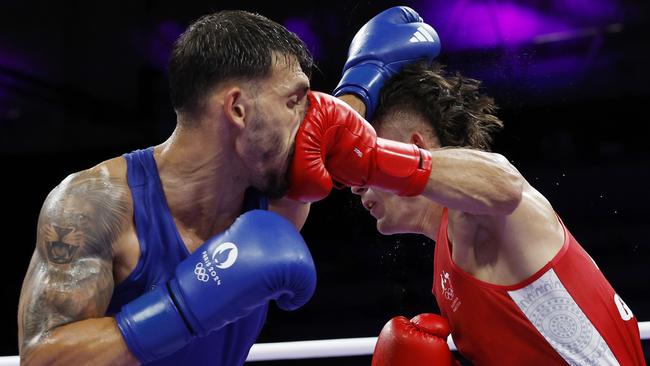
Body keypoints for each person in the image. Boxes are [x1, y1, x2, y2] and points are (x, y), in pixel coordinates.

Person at [17, 7, 442, 366]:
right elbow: (41, 355)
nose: (309, 117)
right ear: (237, 109)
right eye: (294, 100)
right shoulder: (94, 204)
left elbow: (329, 128)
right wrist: (182, 309)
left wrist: (364, 77)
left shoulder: (275, 196)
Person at [329, 56, 647, 363]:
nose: (357, 185)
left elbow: (505, 183)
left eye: (366, 168)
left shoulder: (477, 219)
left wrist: (371, 159)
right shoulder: (448, 255)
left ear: (416, 147)